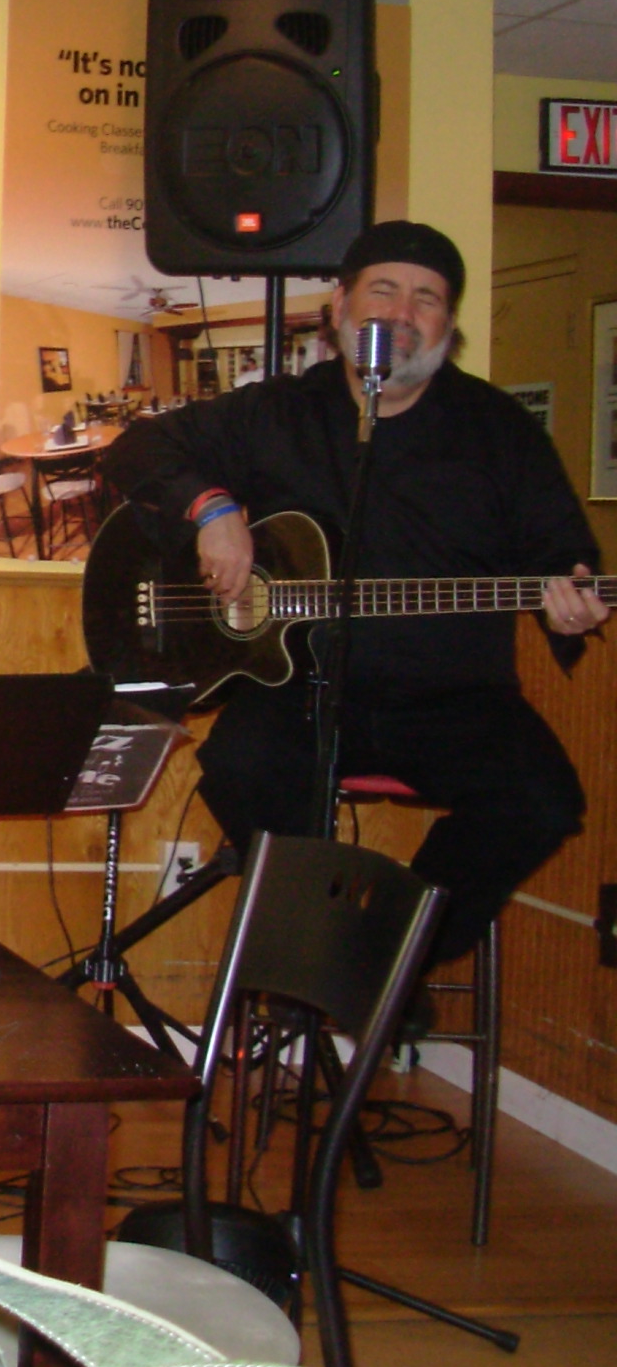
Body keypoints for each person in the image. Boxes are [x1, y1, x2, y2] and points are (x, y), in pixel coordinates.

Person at [103, 220, 607, 965]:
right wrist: (212, 510)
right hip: (295, 689)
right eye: (384, 290)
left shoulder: (499, 428)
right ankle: (313, 948)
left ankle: (380, 965)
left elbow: (563, 549)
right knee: (242, 768)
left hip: (453, 698)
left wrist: (574, 593)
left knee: (540, 801)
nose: (402, 313)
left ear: (448, 325)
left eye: (427, 298)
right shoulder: (274, 411)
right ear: (338, 305)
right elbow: (137, 449)